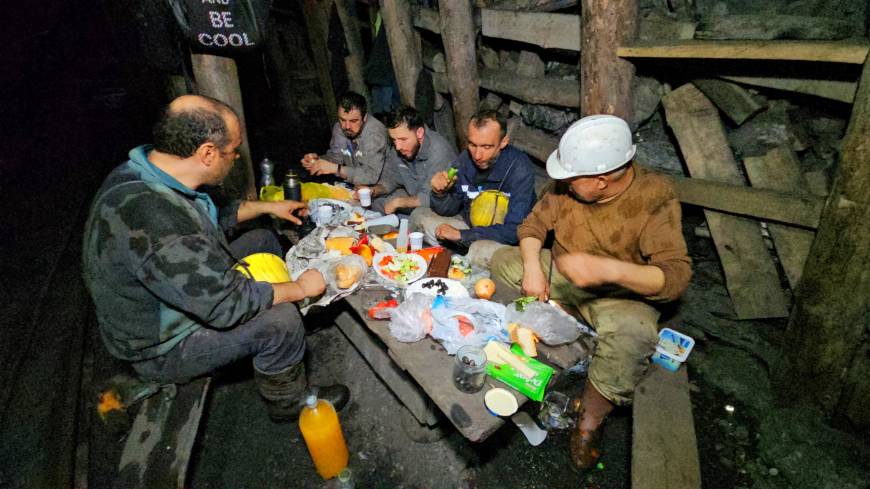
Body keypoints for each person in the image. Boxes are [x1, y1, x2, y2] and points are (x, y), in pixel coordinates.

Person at [82, 95, 349, 422]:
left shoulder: (147, 172)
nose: (236, 157)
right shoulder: (156, 223)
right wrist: (300, 289)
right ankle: (288, 402)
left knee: (262, 239)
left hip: (174, 292)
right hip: (160, 344)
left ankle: (284, 344)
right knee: (281, 320)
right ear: (207, 153)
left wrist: (269, 207)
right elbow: (227, 306)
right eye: (233, 150)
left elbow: (209, 215)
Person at [490, 115, 692, 469]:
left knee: (635, 336)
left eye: (571, 178)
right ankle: (561, 314)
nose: (563, 183)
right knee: (499, 260)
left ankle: (590, 421)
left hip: (620, 295)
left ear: (601, 181)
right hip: (563, 272)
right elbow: (534, 225)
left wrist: (611, 269)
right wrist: (535, 268)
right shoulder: (567, 187)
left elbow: (675, 278)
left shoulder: (654, 197)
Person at [410, 108, 536, 266]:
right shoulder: (464, 160)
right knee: (419, 216)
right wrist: (439, 193)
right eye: (472, 144)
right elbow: (449, 209)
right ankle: (462, 254)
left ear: (503, 142)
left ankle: (463, 253)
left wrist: (462, 235)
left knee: (479, 250)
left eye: (486, 147)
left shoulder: (520, 168)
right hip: (470, 227)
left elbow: (515, 230)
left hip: (501, 239)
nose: (477, 155)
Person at [355, 105, 457, 215]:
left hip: (441, 206)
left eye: (403, 139)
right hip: (411, 195)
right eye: (394, 140)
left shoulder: (439, 152)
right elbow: (391, 179)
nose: (398, 147)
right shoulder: (400, 148)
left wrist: (398, 203)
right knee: (374, 204)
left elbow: (431, 198)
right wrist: (374, 191)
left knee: (417, 215)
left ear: (419, 133)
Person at [301, 91, 388, 186]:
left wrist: (337, 169)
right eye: (342, 119)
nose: (347, 126)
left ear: (365, 117)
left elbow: (370, 176)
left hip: (382, 188)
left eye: (353, 121)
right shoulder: (339, 128)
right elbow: (336, 158)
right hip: (355, 185)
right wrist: (317, 161)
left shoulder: (375, 133)